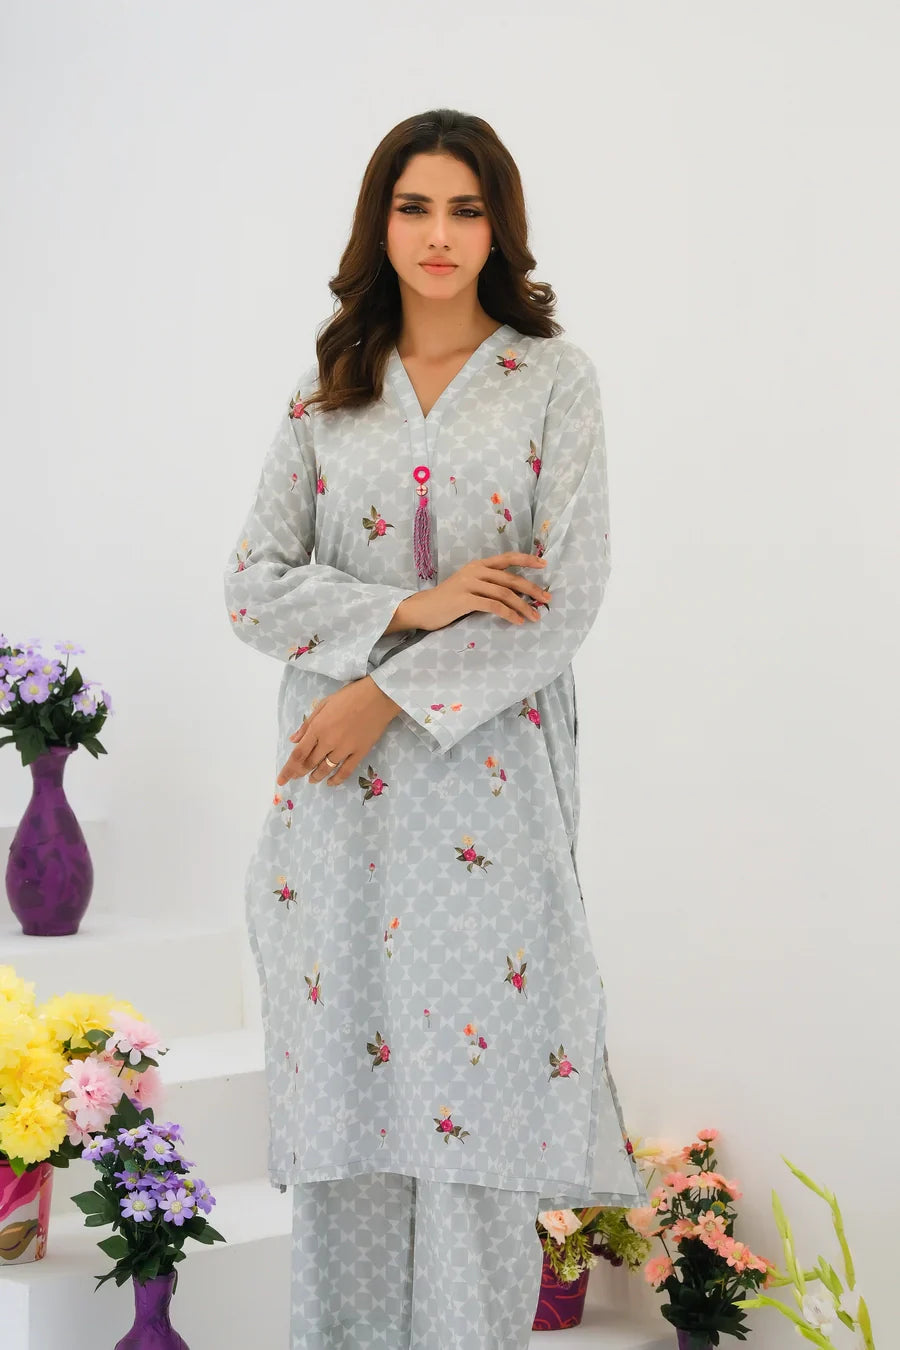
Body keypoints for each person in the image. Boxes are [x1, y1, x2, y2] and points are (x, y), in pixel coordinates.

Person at [223, 106, 648, 1350]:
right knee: (349, 1110)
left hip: (488, 791)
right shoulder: (328, 393)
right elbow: (250, 587)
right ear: (382, 223)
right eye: (415, 207)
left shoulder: (552, 381)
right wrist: (412, 606)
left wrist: (381, 691)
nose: (441, 234)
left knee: (475, 1107)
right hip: (338, 805)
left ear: (500, 228)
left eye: (467, 209)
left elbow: (562, 597)